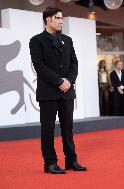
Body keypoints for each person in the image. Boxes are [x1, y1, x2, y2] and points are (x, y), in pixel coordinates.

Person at [29, 6, 87, 174]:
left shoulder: (67, 40)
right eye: (58, 18)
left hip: (67, 91)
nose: (62, 21)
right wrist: (58, 81)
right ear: (48, 19)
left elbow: (74, 63)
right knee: (47, 129)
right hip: (48, 92)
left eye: (62, 18)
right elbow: (39, 66)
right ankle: (50, 162)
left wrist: (69, 80)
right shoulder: (36, 40)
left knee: (68, 128)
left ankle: (71, 160)